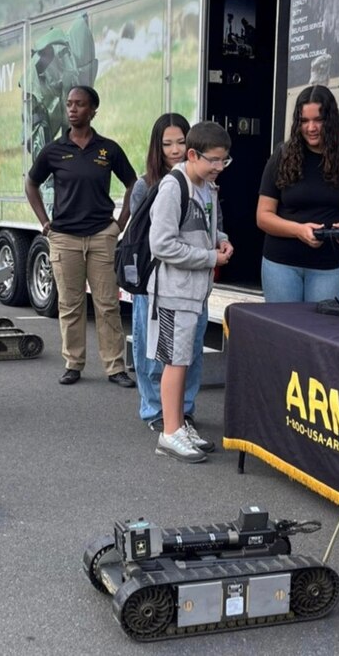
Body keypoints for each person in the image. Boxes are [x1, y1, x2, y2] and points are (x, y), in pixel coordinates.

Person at [25, 86, 137, 387]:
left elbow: (133, 184)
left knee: (107, 305)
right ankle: (73, 363)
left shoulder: (108, 149)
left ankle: (115, 367)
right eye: (69, 104)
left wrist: (120, 223)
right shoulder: (53, 150)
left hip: (102, 235)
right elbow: (31, 184)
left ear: (93, 110)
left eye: (80, 104)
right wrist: (45, 222)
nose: (72, 109)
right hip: (64, 238)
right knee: (71, 304)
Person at [148, 121, 234, 463]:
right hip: (173, 292)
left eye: (224, 161)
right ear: (193, 154)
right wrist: (210, 257)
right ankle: (169, 433)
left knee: (185, 359)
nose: (219, 168)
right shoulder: (173, 187)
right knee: (175, 362)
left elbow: (206, 228)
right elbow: (162, 245)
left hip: (194, 292)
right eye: (213, 160)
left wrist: (221, 239)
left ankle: (177, 425)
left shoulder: (207, 187)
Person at [130, 113, 208, 432]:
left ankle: (183, 410)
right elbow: (141, 237)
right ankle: (154, 410)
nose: (175, 149)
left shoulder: (203, 183)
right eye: (167, 143)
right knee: (152, 352)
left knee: (190, 350)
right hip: (154, 282)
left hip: (192, 282)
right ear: (157, 147)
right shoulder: (145, 184)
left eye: (181, 142)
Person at [256, 85, 339, 303]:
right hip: (281, 265)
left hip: (330, 266)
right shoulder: (281, 155)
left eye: (318, 120)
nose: (311, 128)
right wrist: (299, 230)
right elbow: (263, 216)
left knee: (320, 334)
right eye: (304, 121)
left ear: (331, 119)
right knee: (283, 332)